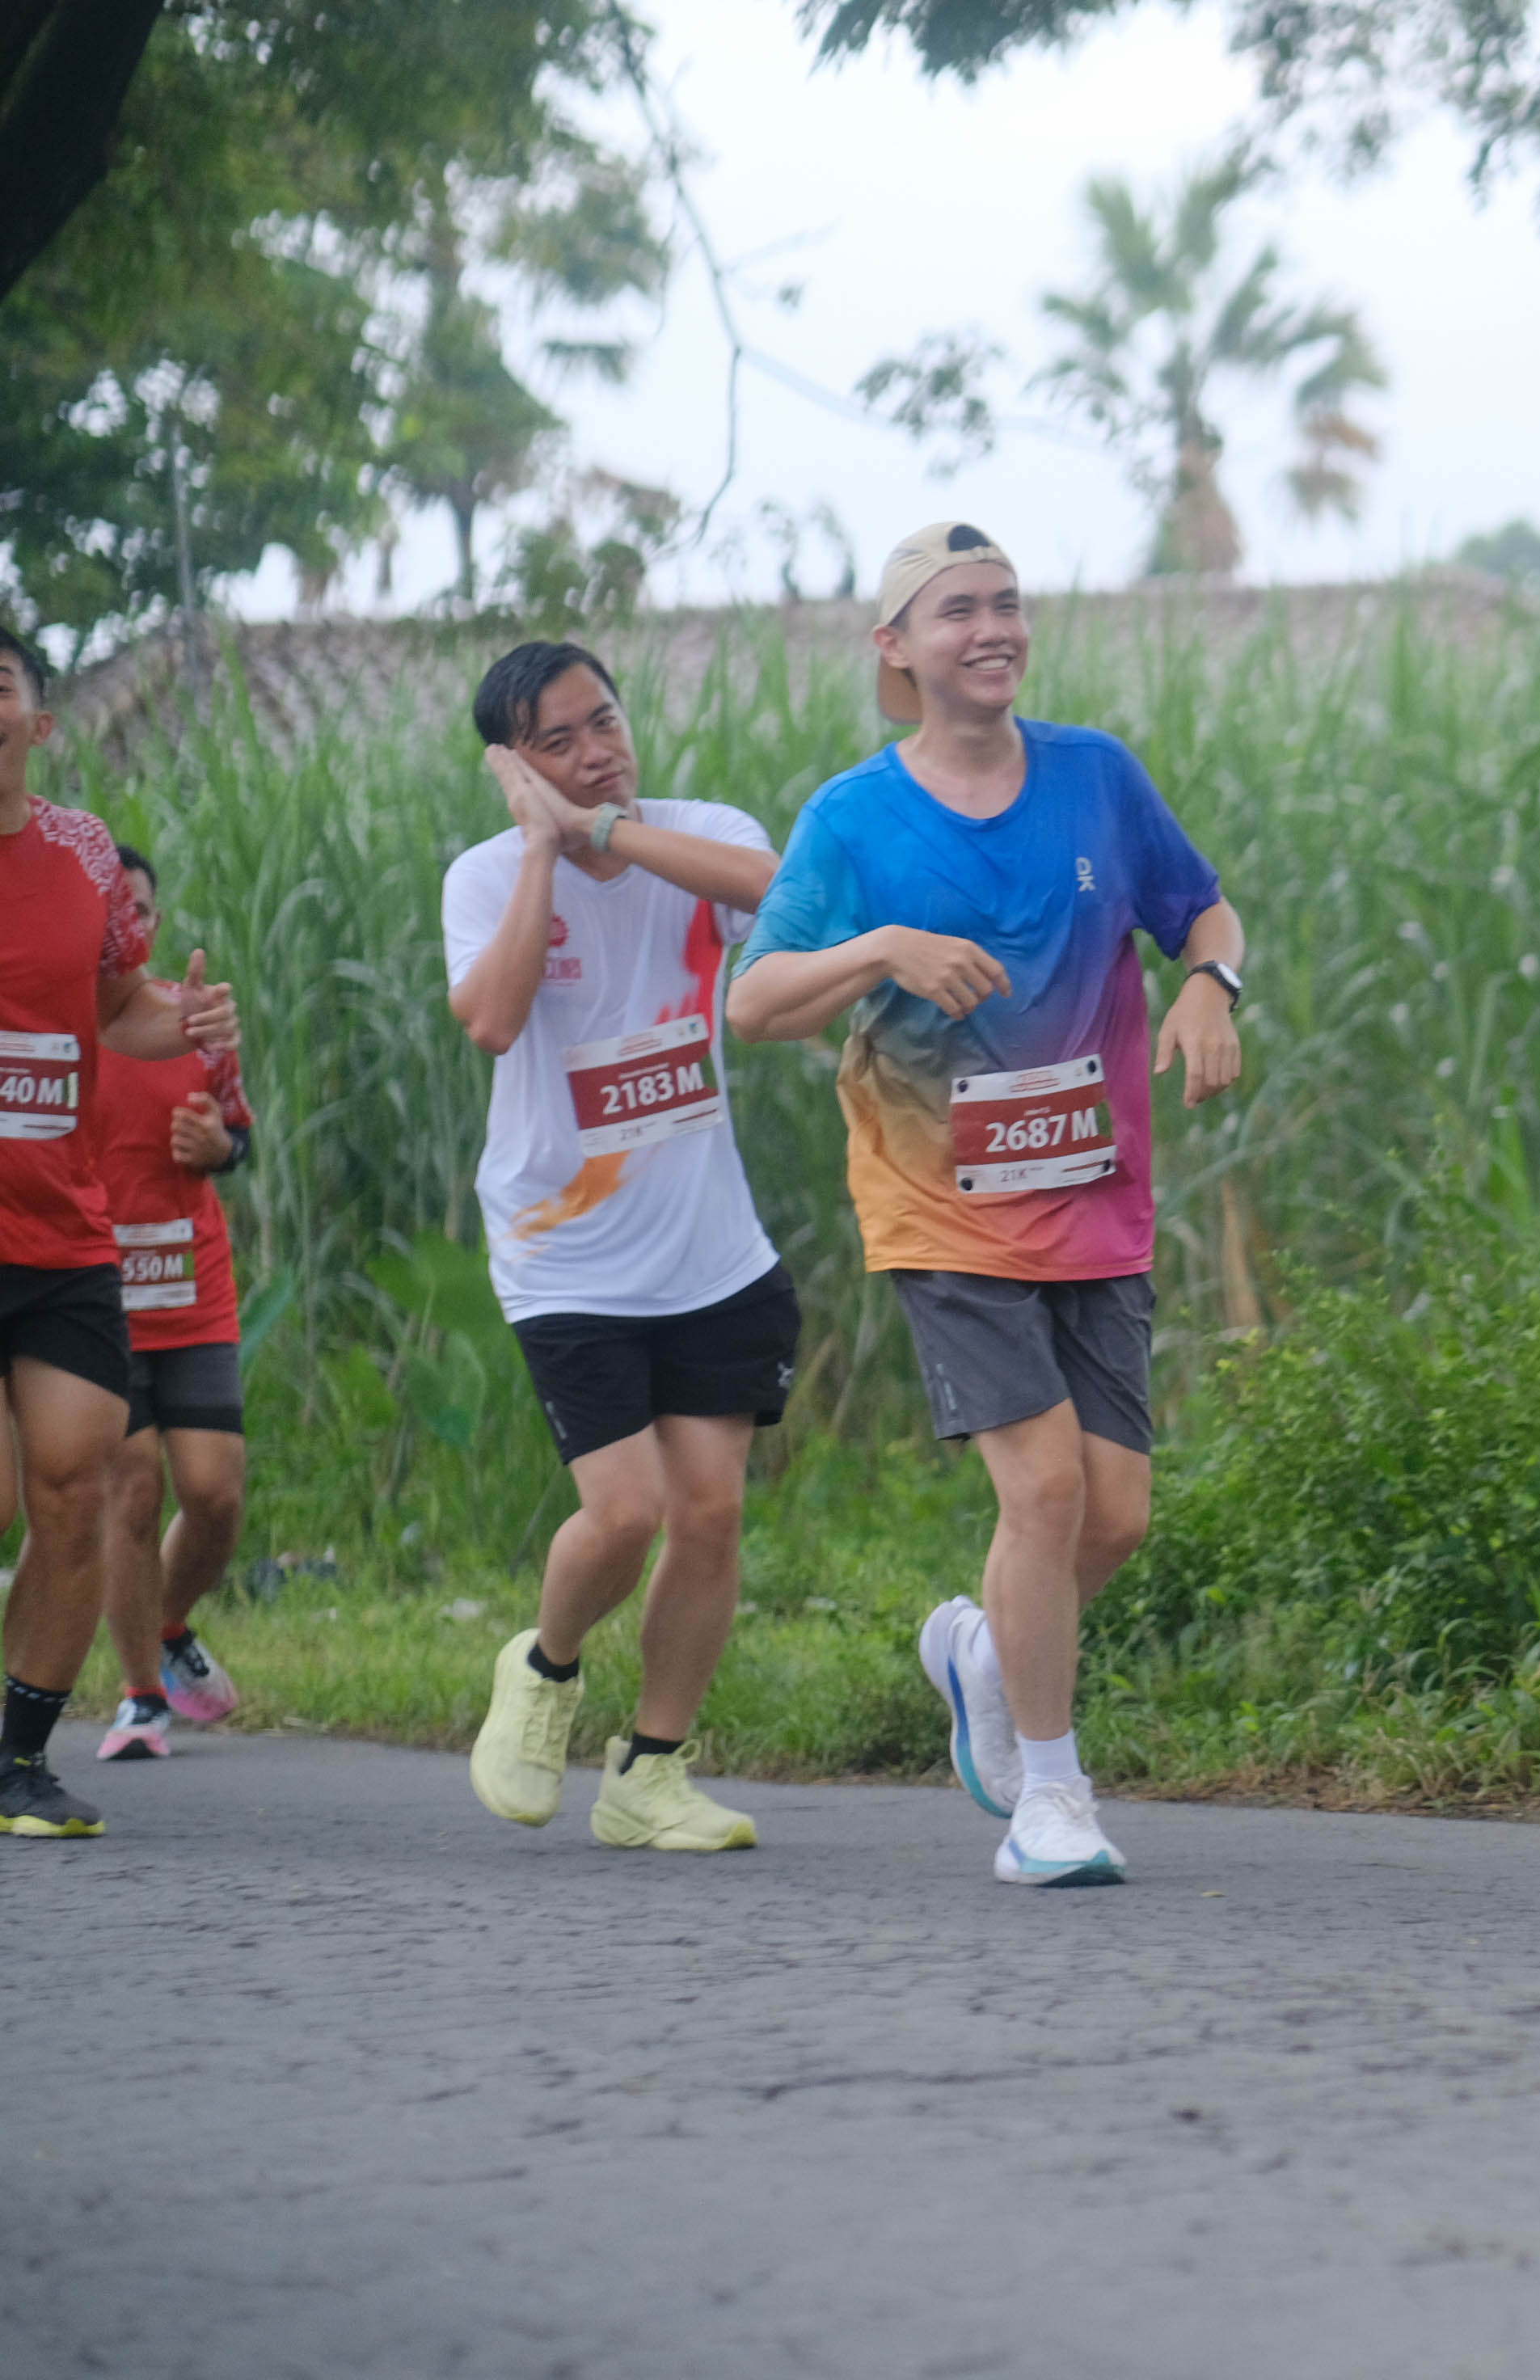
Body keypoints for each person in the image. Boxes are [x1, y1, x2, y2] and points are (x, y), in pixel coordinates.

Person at [729, 521, 1244, 1888]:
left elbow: (1204, 912)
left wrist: (1211, 985)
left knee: (1114, 1515)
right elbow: (754, 1001)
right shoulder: (854, 818)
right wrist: (881, 947)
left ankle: (977, 1649)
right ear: (897, 646)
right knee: (1047, 1484)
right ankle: (1050, 1799)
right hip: (941, 1204)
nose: (992, 627)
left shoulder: (1095, 778)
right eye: (957, 608)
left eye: (1006, 601)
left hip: (1095, 1199)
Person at [445, 639, 795, 1853]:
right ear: (511, 765)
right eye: (559, 740)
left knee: (710, 1514)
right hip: (565, 1256)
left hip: (710, 1251)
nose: (599, 750)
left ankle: (652, 1771)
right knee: (628, 1511)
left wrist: (606, 829)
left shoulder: (700, 834)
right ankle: (544, 1667)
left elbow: (784, 891)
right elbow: (492, 1021)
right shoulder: (488, 877)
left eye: (606, 720)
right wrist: (545, 848)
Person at [0, 624, 238, 1839]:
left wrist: (184, 1017)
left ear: (38, 724)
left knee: (76, 1486)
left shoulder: (86, 853)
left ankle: (18, 1762)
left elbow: (113, 1009)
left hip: (61, 1233)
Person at [90, 842, 257, 1762]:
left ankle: (165, 1622)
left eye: (140, 911)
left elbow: (239, 1134)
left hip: (192, 1287)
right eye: (111, 912)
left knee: (214, 1493)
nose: (127, 927)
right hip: (90, 1292)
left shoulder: (192, 1022)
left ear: (151, 923)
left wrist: (218, 1150)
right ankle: (141, 1698)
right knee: (132, 1488)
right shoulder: (46, 1027)